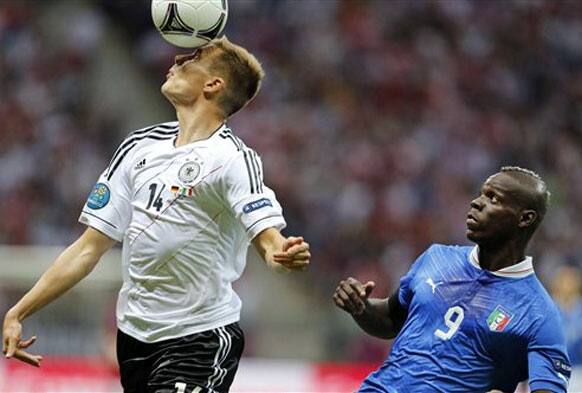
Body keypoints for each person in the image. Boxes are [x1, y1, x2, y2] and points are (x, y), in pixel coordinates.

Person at [2, 36, 310, 393]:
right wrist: (19, 311)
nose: (178, 58)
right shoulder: (138, 147)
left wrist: (281, 252)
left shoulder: (232, 159)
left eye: (193, 58)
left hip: (199, 338)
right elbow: (88, 248)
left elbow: (268, 238)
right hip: (134, 339)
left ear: (213, 84)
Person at [333, 167, 571, 393]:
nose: (476, 202)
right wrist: (361, 306)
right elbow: (391, 320)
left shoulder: (539, 314)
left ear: (525, 219)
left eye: (493, 198)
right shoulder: (436, 257)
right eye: (481, 194)